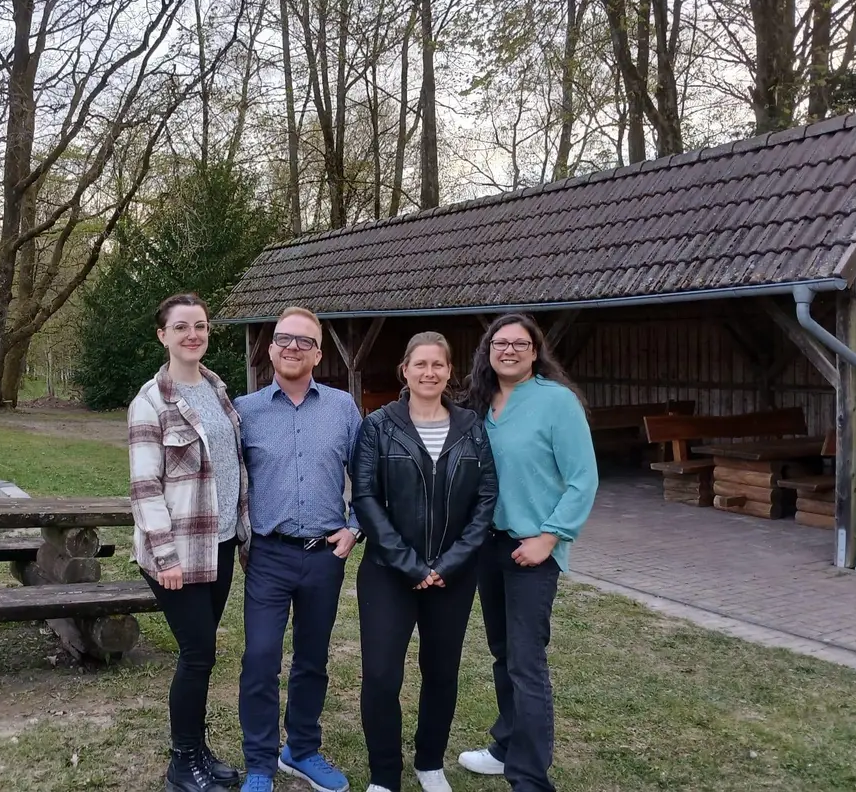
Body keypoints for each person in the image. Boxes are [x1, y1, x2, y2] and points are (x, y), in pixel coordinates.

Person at [452, 314, 598, 792]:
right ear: (488, 351)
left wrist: (550, 537)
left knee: (526, 661)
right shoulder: (480, 404)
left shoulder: (556, 403)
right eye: (500, 342)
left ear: (536, 352)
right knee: (502, 653)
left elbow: (583, 479)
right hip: (488, 547)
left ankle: (531, 778)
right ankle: (506, 746)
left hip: (532, 549)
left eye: (520, 343)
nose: (509, 350)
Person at [350, 332, 499, 792]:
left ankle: (429, 761)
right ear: (405, 370)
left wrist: (449, 563)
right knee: (380, 675)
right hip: (388, 573)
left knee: (441, 671)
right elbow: (366, 496)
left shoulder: (472, 426)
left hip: (453, 576)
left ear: (449, 371)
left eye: (438, 364)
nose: (429, 372)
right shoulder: (378, 425)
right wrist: (410, 564)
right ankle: (384, 774)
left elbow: (486, 498)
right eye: (420, 364)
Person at [233, 306, 365, 792]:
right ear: (270, 349)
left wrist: (355, 527)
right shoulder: (244, 411)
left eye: (304, 341)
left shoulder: (342, 409)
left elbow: (367, 477)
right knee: (261, 657)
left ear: (318, 353)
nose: (292, 347)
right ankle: (261, 765)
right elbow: (227, 481)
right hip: (268, 554)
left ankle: (301, 749)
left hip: (325, 556)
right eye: (284, 339)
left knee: (313, 658)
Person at [128, 293, 252, 792]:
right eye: (181, 327)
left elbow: (235, 468)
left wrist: (242, 537)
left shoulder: (219, 392)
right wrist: (165, 557)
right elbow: (144, 488)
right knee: (197, 654)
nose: (192, 335)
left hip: (218, 544)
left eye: (199, 326)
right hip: (175, 555)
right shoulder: (149, 402)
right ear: (163, 335)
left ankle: (199, 751)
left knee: (200, 655)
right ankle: (183, 764)